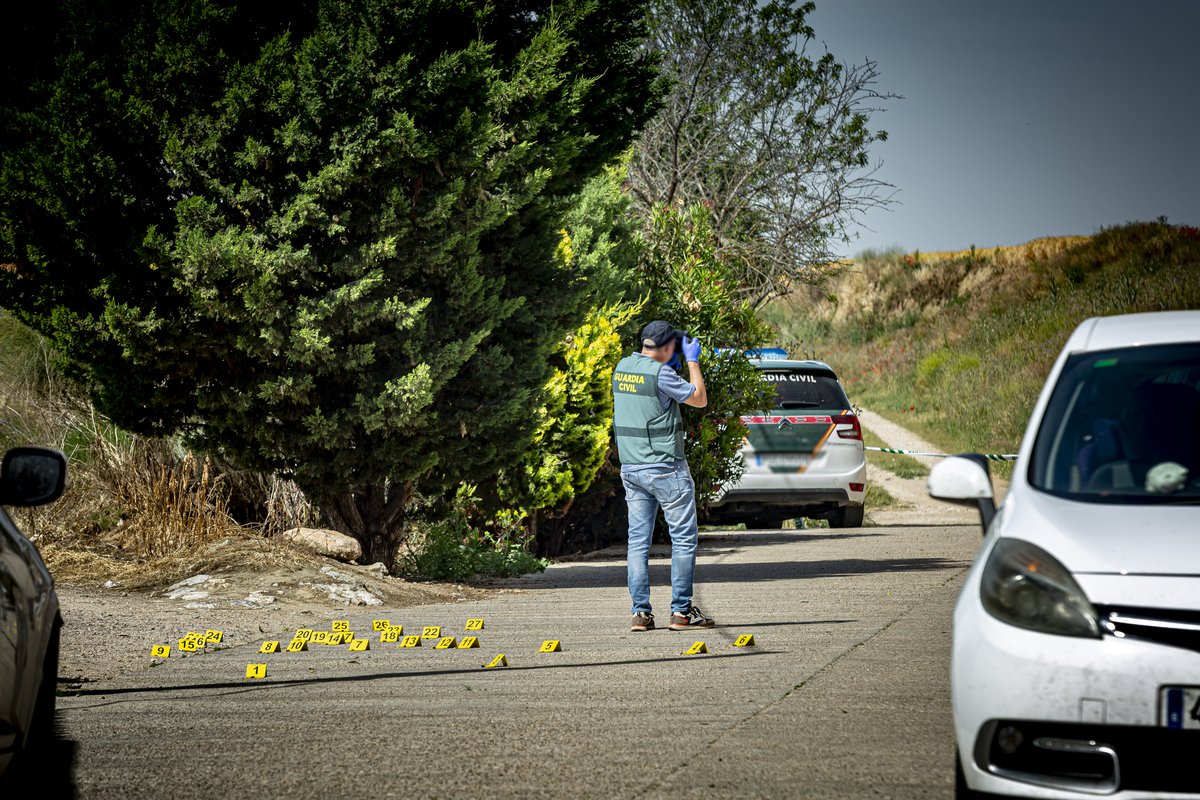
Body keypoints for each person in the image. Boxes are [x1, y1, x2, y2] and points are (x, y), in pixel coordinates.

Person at [611, 320, 715, 632]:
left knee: (637, 542)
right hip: (666, 470)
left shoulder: (622, 368)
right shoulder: (661, 373)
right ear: (668, 347)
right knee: (683, 539)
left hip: (632, 470)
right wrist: (693, 360)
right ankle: (681, 613)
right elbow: (699, 398)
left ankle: (640, 614)